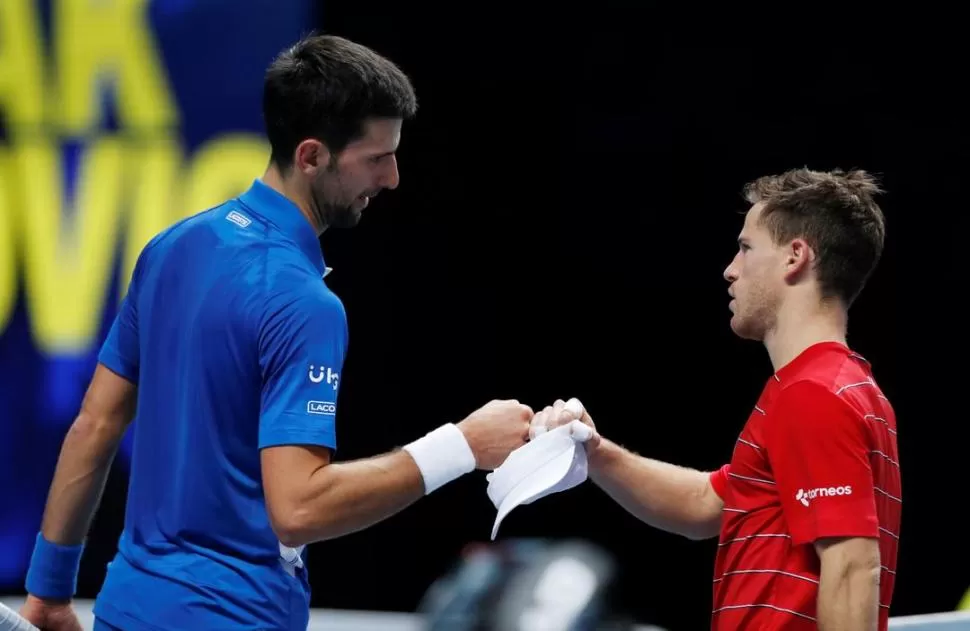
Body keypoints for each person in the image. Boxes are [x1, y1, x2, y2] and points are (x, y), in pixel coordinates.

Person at [20, 34, 538, 631]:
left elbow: (95, 424)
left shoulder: (170, 248)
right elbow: (298, 507)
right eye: (376, 158)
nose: (393, 178)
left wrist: (50, 590)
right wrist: (463, 446)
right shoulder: (304, 302)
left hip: (127, 611)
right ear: (312, 155)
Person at [536, 168, 900, 630]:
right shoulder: (830, 387)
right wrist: (596, 451)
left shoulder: (815, 394)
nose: (730, 269)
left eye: (746, 248)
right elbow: (706, 505)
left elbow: (852, 567)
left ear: (795, 257)